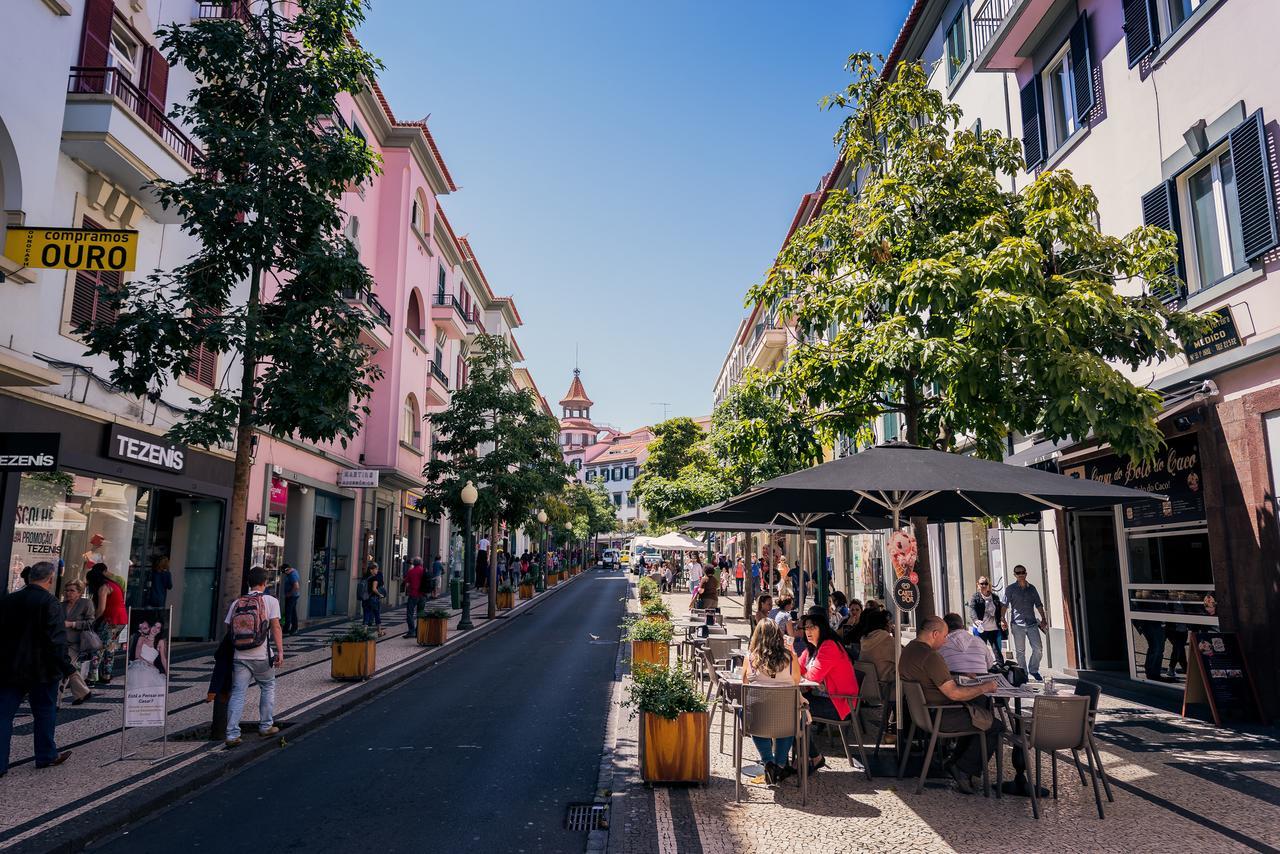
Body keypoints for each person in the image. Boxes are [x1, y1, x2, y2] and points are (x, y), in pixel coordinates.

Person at [899, 616, 1003, 795]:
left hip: (922, 714)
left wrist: (958, 678)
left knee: (979, 711)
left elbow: (933, 680)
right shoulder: (931, 656)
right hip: (941, 715)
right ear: (935, 634)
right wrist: (986, 686)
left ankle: (955, 761)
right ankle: (963, 768)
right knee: (994, 726)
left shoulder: (909, 650)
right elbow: (954, 694)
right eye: (945, 636)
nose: (946, 640)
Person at [0, 561, 75, 773]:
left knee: (3, 715)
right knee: (44, 712)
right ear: (50, 580)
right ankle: (46, 755)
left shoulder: (9, 600)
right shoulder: (50, 603)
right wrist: (67, 667)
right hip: (42, 669)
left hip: (10, 667)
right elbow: (56, 641)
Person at [224, 565, 284, 747]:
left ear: (248, 583)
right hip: (261, 655)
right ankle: (266, 725)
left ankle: (232, 734)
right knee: (267, 686)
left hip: (240, 656)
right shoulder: (270, 601)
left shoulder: (237, 602)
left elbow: (229, 628)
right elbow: (275, 627)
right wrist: (280, 651)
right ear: (265, 583)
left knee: (238, 693)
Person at [798, 609, 860, 774]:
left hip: (840, 702)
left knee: (795, 711)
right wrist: (789, 650)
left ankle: (813, 757)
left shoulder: (829, 646)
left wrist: (803, 674)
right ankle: (800, 758)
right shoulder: (811, 649)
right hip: (823, 697)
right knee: (788, 704)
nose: (808, 631)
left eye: (813, 627)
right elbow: (796, 669)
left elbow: (813, 676)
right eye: (806, 628)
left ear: (822, 628)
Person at [741, 617, 800, 784]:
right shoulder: (790, 658)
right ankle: (780, 764)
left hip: (758, 721)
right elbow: (796, 681)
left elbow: (744, 683)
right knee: (788, 716)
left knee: (748, 713)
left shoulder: (750, 659)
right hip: (786, 720)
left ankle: (768, 761)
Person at [86, 563, 127, 684]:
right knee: (110, 647)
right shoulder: (114, 584)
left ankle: (92, 677)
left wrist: (92, 620)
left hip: (110, 620)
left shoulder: (103, 588)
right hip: (121, 619)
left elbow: (101, 609)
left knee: (98, 648)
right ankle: (106, 674)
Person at [1005, 565, 1048, 680]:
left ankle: (1033, 670)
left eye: (1023, 572)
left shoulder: (1032, 588)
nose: (1021, 574)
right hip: (1017, 624)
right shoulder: (1010, 589)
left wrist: (1043, 618)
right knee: (1020, 651)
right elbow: (1004, 605)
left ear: (1026, 573)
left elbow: (1038, 604)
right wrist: (1002, 619)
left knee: (1038, 649)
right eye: (1018, 573)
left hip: (1032, 623)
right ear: (1015, 575)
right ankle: (1023, 673)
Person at [60, 581, 95, 705]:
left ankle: (56, 701)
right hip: (60, 641)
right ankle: (83, 692)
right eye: (67, 590)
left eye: (72, 590)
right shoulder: (61, 605)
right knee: (68, 668)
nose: (68, 593)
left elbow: (91, 622)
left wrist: (73, 624)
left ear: (79, 593)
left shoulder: (86, 603)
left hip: (76, 642)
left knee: (64, 668)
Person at [968, 576, 1004, 664]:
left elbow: (999, 610)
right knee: (981, 650)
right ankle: (982, 668)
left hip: (994, 629)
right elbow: (972, 609)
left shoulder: (995, 597)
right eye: (981, 583)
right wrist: (976, 620)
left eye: (986, 583)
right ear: (978, 585)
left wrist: (1002, 620)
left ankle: (1001, 668)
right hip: (981, 629)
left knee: (997, 650)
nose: (984, 585)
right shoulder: (975, 597)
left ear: (989, 585)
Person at [858, 608, 897, 684]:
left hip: (867, 686)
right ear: (884, 624)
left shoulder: (864, 639)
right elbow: (903, 657)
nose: (891, 625)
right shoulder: (887, 640)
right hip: (887, 687)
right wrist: (896, 637)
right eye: (889, 622)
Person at [127, 619, 168, 690]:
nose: (155, 629)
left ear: (160, 631)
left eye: (158, 628)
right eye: (154, 626)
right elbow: (137, 656)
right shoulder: (141, 638)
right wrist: (149, 664)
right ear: (150, 626)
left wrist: (168, 673)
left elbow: (163, 659)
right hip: (139, 665)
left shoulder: (160, 642)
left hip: (151, 669)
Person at [402, 557, 426, 638]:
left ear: (414, 563)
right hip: (422, 595)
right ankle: (418, 630)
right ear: (421, 563)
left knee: (410, 613)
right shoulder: (424, 570)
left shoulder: (411, 571)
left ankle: (411, 631)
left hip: (413, 594)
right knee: (420, 613)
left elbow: (407, 582)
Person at [360, 562, 384, 635]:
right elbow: (374, 589)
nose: (377, 571)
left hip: (365, 598)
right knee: (377, 614)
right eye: (375, 569)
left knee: (366, 615)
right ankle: (379, 631)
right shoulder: (374, 578)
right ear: (371, 570)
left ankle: (364, 631)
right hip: (373, 599)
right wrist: (380, 595)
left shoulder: (365, 577)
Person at [281, 563, 301, 635]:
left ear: (287, 569)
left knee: (288, 612)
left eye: (284, 572)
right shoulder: (293, 572)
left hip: (292, 596)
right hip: (293, 596)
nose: (284, 573)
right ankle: (293, 628)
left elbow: (296, 586)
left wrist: (289, 594)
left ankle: (287, 629)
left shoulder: (292, 575)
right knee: (292, 612)